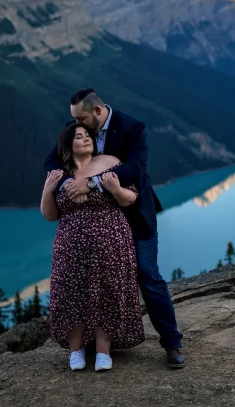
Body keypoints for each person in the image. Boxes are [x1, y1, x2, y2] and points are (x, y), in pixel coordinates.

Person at [44, 88, 185, 369]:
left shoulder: (132, 127)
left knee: (147, 275)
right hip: (94, 219)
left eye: (81, 118)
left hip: (134, 214)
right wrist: (68, 186)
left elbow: (136, 169)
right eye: (74, 120)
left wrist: (92, 183)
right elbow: (53, 160)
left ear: (97, 112)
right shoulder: (77, 128)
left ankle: (172, 343)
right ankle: (93, 345)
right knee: (91, 280)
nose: (76, 125)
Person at [41, 123, 145, 372]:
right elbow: (50, 214)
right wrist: (47, 190)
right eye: (79, 136)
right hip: (70, 246)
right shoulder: (59, 172)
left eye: (88, 135)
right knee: (71, 295)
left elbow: (131, 197)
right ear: (68, 144)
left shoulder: (110, 161)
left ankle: (102, 352)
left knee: (107, 293)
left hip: (110, 240)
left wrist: (115, 189)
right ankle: (76, 352)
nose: (86, 139)